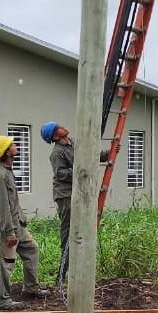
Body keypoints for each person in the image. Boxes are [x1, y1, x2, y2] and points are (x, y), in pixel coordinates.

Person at [40, 121, 109, 286]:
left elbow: (90, 156)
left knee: (82, 231)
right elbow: (61, 174)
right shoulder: (57, 153)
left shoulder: (74, 142)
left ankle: (77, 273)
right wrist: (81, 170)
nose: (63, 126)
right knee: (68, 232)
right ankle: (60, 276)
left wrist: (108, 153)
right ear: (55, 136)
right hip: (65, 196)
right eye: (58, 127)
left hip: (78, 193)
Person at [0, 135, 49, 310]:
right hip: (8, 228)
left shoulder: (7, 171)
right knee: (5, 262)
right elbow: (1, 207)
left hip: (17, 224)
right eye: (11, 144)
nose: (15, 145)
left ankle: (30, 288)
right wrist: (9, 232)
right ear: (7, 152)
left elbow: (12, 202)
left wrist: (19, 223)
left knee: (31, 249)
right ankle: (2, 300)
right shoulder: (0, 176)